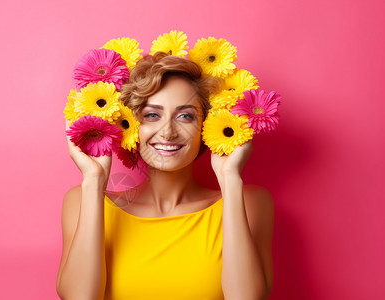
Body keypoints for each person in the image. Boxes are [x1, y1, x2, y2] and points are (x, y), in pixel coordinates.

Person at [56, 52, 274, 300]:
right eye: (152, 115)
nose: (168, 132)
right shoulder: (82, 200)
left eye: (185, 116)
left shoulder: (251, 202)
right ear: (130, 125)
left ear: (207, 125)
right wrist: (94, 180)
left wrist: (229, 178)